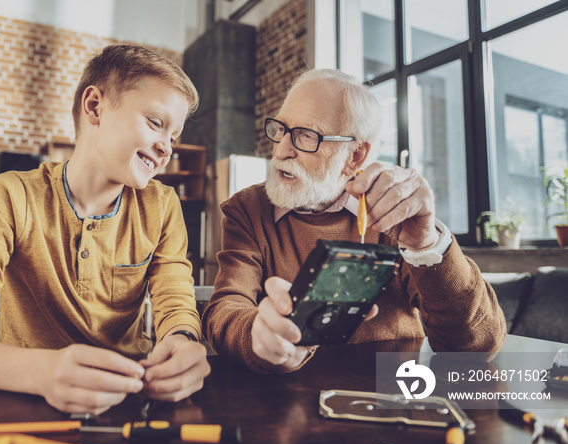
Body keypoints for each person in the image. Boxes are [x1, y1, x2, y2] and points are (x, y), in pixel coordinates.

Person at [0, 44, 210, 413]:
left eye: (173, 137)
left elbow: (176, 303)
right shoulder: (10, 196)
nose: (166, 148)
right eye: (156, 123)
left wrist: (183, 340)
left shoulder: (162, 205)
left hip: (130, 403)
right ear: (95, 107)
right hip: (27, 401)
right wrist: (44, 372)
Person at [202, 68, 506, 373]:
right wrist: (256, 335)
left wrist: (426, 245)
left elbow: (476, 346)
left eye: (307, 135)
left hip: (392, 398)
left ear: (356, 156)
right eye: (280, 128)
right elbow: (226, 309)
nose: (281, 150)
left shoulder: (391, 212)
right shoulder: (247, 209)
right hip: (286, 404)